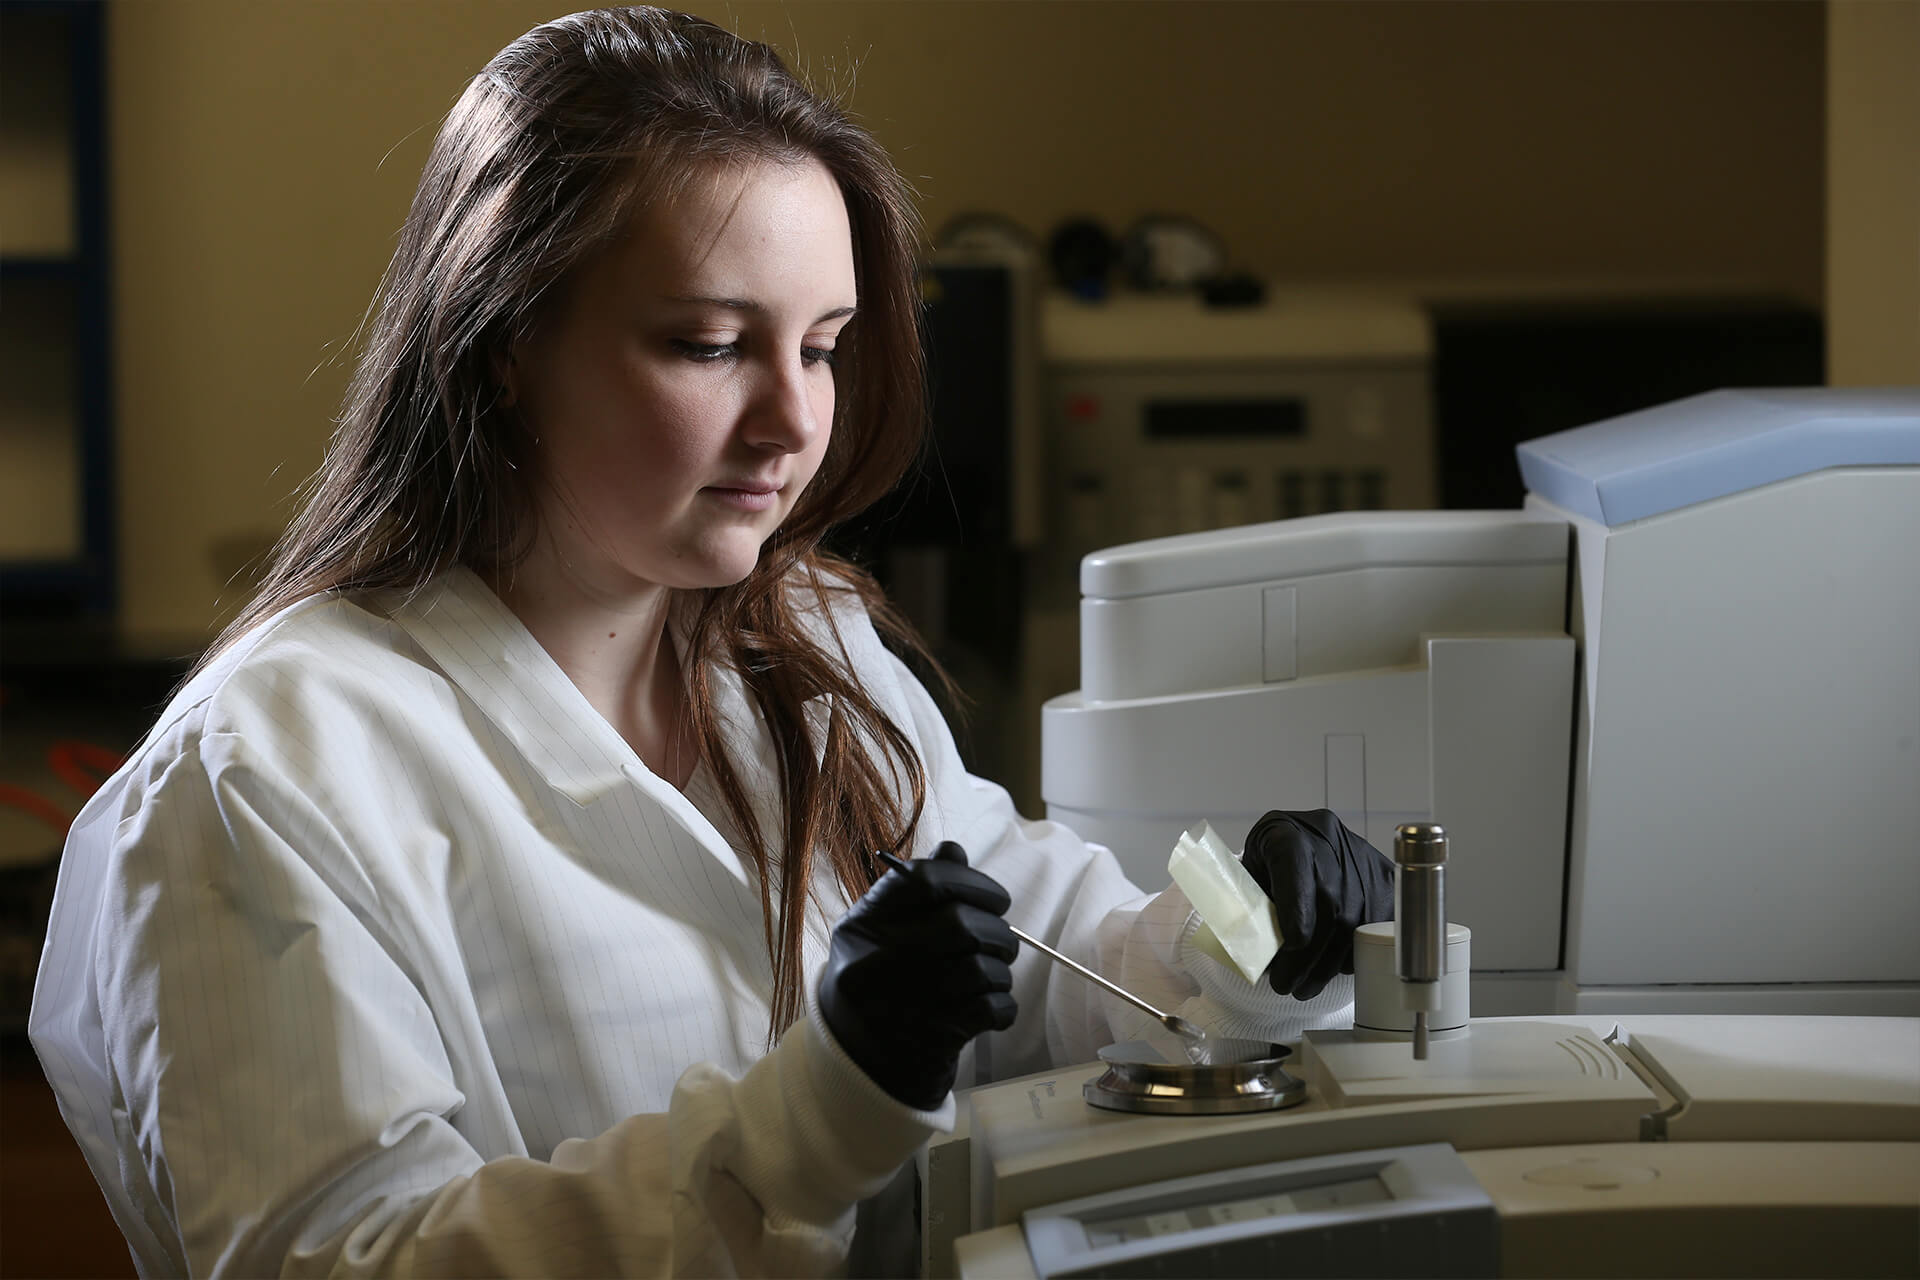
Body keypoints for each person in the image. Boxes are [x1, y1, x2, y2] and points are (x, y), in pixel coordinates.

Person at [29, 8, 1393, 1276]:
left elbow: (1041, 961)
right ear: (502, 339)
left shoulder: (808, 647)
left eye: (823, 346)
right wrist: (822, 1104)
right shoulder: (268, 775)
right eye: (708, 344)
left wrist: (1231, 949)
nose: (795, 422)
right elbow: (348, 1258)